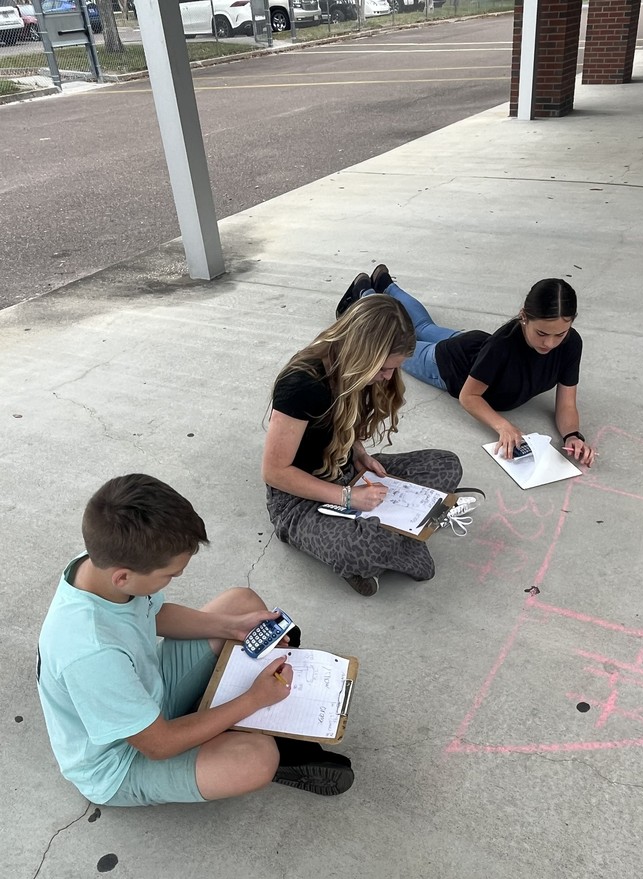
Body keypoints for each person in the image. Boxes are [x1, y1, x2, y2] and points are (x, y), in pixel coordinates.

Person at [36, 474, 354, 808]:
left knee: (240, 603)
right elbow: (158, 744)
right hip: (124, 758)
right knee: (257, 759)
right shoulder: (91, 653)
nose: (176, 578)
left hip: (148, 691)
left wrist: (233, 627)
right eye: (170, 575)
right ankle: (240, 726)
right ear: (124, 576)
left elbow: (154, 614)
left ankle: (217, 714)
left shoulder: (99, 568)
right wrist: (252, 700)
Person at [262, 295, 463, 597]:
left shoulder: (351, 369)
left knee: (447, 464)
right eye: (384, 368)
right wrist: (348, 497)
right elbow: (275, 472)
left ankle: (389, 540)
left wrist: (359, 454)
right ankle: (389, 542)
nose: (388, 377)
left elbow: (341, 423)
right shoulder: (301, 384)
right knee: (361, 549)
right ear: (362, 355)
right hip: (298, 500)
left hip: (345, 472)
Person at [336, 266, 596, 467]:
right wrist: (503, 426)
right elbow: (469, 396)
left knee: (425, 327)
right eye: (541, 333)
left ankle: (385, 284)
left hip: (471, 343)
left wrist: (573, 435)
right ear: (524, 316)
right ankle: (365, 294)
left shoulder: (571, 344)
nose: (550, 343)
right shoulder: (504, 346)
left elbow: (566, 404)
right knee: (397, 340)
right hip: (446, 362)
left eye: (559, 334)